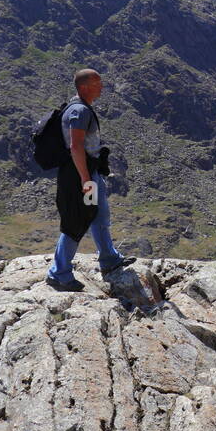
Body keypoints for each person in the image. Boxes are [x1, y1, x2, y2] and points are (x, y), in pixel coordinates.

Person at [45, 68, 134, 292]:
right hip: (80, 175)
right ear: (84, 87)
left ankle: (109, 258)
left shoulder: (79, 109)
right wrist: (86, 180)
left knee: (99, 214)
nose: (102, 87)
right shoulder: (79, 112)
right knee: (77, 221)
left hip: (88, 173)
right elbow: (76, 147)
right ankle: (59, 274)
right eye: (97, 83)